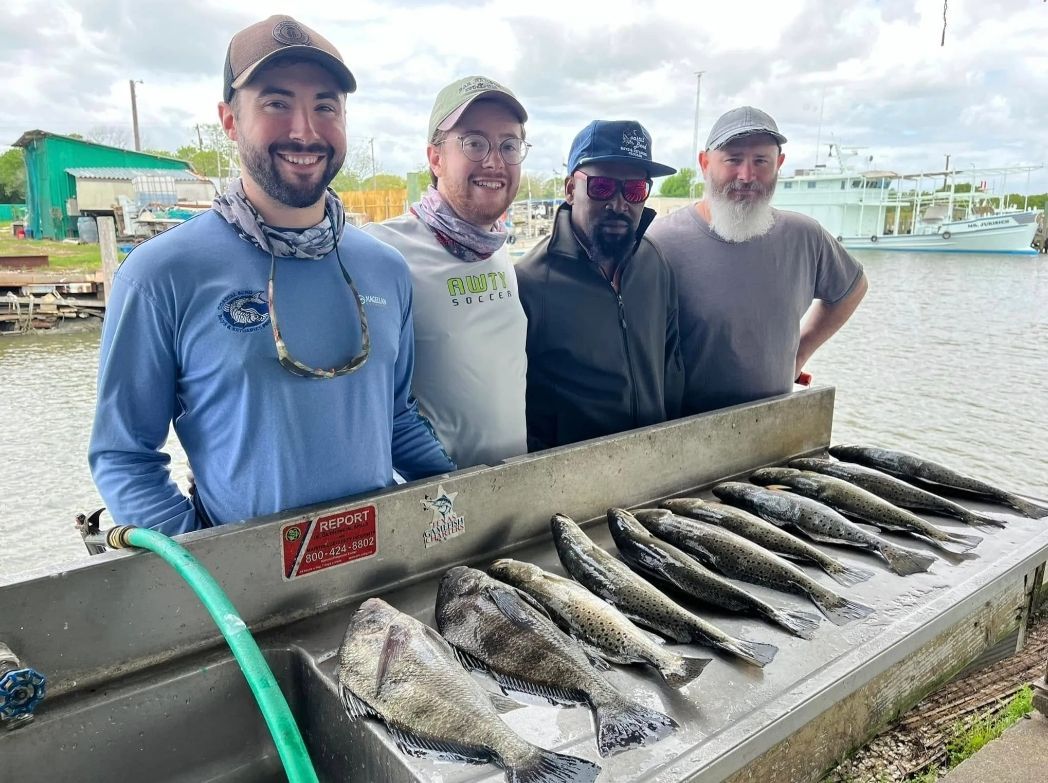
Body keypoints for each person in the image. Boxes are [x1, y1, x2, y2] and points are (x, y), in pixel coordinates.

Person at [89, 15, 455, 535]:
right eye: (276, 103)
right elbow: (123, 454)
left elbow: (394, 418)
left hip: (379, 573)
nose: (304, 130)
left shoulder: (385, 269)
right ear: (230, 120)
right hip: (245, 591)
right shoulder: (160, 275)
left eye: (324, 106)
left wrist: (468, 505)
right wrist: (203, 562)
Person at [648, 105, 869, 414]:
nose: (747, 175)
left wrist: (801, 352)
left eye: (761, 161)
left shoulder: (805, 236)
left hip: (773, 425)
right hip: (686, 431)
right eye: (733, 159)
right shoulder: (660, 241)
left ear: (779, 164)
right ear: (704, 163)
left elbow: (853, 288)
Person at [364, 77, 529, 468]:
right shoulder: (383, 252)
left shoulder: (499, 249)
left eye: (509, 145)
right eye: (474, 143)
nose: (494, 161)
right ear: (435, 158)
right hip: (436, 507)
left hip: (513, 494)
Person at [515, 120, 684, 450]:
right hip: (574, 484)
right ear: (569, 189)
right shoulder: (530, 282)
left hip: (657, 465)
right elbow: (516, 403)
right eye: (602, 187)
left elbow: (672, 364)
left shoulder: (655, 262)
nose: (619, 204)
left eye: (634, 190)